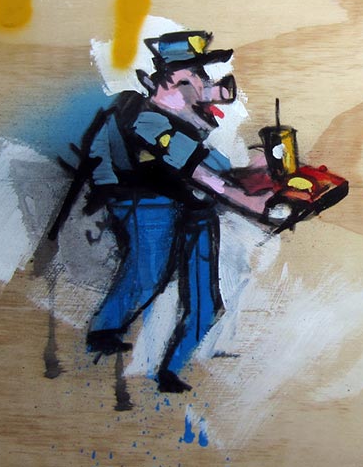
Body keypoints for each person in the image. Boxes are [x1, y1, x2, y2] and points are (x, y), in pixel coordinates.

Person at [59, 30, 275, 393]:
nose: (205, 89)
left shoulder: (179, 122)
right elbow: (201, 172)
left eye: (202, 77)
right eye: (191, 79)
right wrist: (249, 201)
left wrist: (253, 173)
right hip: (144, 202)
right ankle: (106, 332)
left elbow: (214, 166)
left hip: (184, 206)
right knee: (148, 275)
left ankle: (164, 366)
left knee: (198, 298)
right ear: (162, 84)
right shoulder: (148, 122)